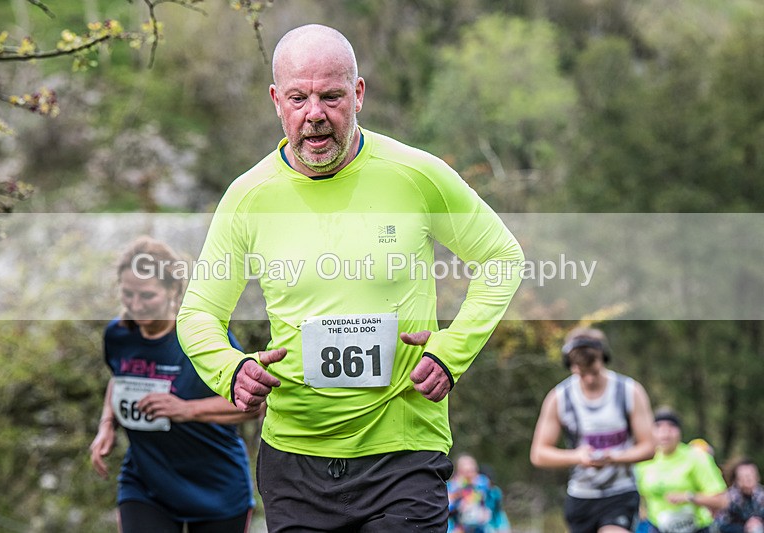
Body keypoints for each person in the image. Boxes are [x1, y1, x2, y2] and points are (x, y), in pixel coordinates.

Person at [176, 23, 524, 532]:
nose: (314, 114)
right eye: (298, 98)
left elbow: (501, 258)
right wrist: (230, 370)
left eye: (331, 96)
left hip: (404, 451)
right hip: (294, 458)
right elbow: (199, 313)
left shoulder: (416, 175)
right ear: (276, 101)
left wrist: (453, 350)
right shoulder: (249, 196)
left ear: (358, 94)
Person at [90, 236, 259, 533]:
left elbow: (253, 405)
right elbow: (119, 379)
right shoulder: (117, 335)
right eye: (128, 294)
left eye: (147, 296)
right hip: (146, 485)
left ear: (172, 290)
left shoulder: (202, 337)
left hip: (216, 489)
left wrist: (186, 410)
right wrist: (107, 423)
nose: (136, 305)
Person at [529, 326, 656, 533]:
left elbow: (649, 447)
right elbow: (539, 454)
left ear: (603, 358)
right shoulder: (559, 398)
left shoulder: (629, 391)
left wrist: (614, 457)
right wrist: (577, 456)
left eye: (594, 371)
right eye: (582, 372)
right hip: (581, 496)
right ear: (570, 366)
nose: (589, 379)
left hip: (620, 493)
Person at [635, 407, 728, 533]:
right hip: (658, 529)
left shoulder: (697, 457)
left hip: (697, 529)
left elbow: (722, 501)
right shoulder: (645, 461)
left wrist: (688, 497)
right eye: (658, 426)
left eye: (671, 427)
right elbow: (636, 496)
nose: (665, 433)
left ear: (680, 432)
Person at [447, 454, 511, 533]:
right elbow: (446, 509)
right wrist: (456, 494)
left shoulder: (483, 484)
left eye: (472, 471)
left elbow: (495, 508)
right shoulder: (452, 487)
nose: (469, 476)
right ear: (458, 472)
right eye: (465, 472)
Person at [715, 459, 764, 533]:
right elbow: (720, 525)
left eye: (751, 476)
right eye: (744, 476)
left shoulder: (761, 495)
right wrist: (745, 528)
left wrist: (758, 521)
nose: (748, 479)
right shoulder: (728, 498)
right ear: (736, 479)